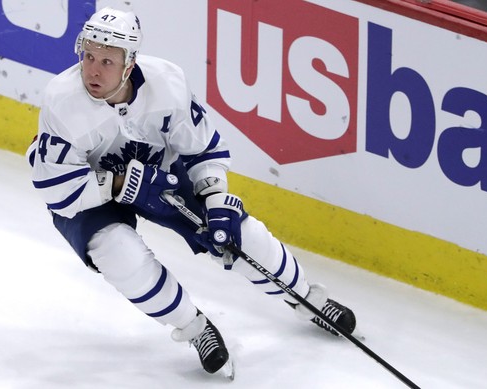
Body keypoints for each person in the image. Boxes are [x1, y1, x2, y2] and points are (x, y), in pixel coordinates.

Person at [26, 5, 356, 377]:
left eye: (106, 61)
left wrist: (215, 201)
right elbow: (57, 190)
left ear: (130, 64)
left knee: (238, 233)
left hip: (161, 174)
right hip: (89, 190)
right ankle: (196, 329)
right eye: (88, 56)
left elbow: (204, 149)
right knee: (119, 253)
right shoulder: (63, 101)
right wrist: (120, 184)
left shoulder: (168, 84)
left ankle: (308, 299)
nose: (93, 70)